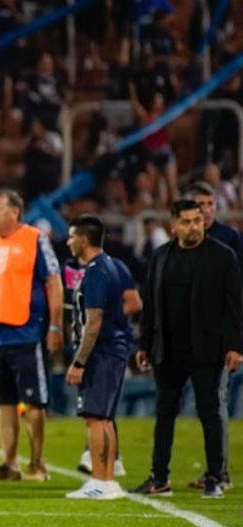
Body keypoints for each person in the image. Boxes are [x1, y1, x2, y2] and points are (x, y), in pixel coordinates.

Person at [132, 199, 243, 499]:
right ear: (174, 226)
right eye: (187, 221)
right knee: (164, 413)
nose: (195, 226)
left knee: (210, 414)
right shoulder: (161, 256)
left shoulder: (223, 257)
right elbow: (151, 305)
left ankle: (215, 477)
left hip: (207, 350)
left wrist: (235, 346)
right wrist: (145, 343)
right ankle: (159, 478)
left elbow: (234, 306)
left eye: (198, 220)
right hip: (168, 349)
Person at [0, 190, 62, 482]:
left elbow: (54, 283)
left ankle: (38, 464)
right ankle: (10, 464)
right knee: (4, 402)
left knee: (34, 402)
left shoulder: (35, 238)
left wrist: (55, 326)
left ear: (14, 212)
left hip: (27, 331)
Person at [64, 215, 132, 500]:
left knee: (95, 418)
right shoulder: (112, 266)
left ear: (83, 240)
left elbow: (94, 321)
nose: (68, 242)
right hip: (112, 351)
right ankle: (106, 479)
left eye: (71, 237)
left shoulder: (95, 272)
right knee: (103, 418)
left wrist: (79, 362)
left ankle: (100, 481)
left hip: (102, 353)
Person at [184, 181, 241, 489]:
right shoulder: (182, 238)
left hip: (218, 336)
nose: (206, 210)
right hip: (188, 336)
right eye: (200, 204)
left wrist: (235, 340)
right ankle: (214, 469)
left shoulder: (228, 239)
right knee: (205, 405)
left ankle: (221, 474)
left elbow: (237, 293)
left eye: (210, 204)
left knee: (216, 403)